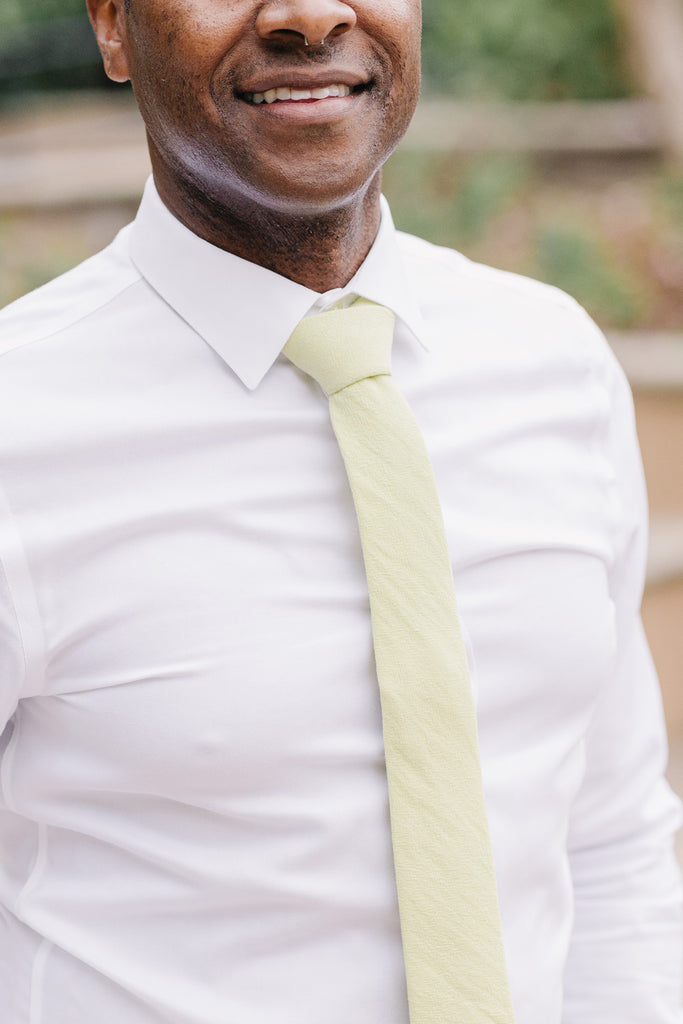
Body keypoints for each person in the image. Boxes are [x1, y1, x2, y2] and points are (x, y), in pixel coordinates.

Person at [0, 0, 680, 1020]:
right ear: (110, 24)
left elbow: (610, 836)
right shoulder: (22, 427)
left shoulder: (552, 364)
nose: (310, 14)